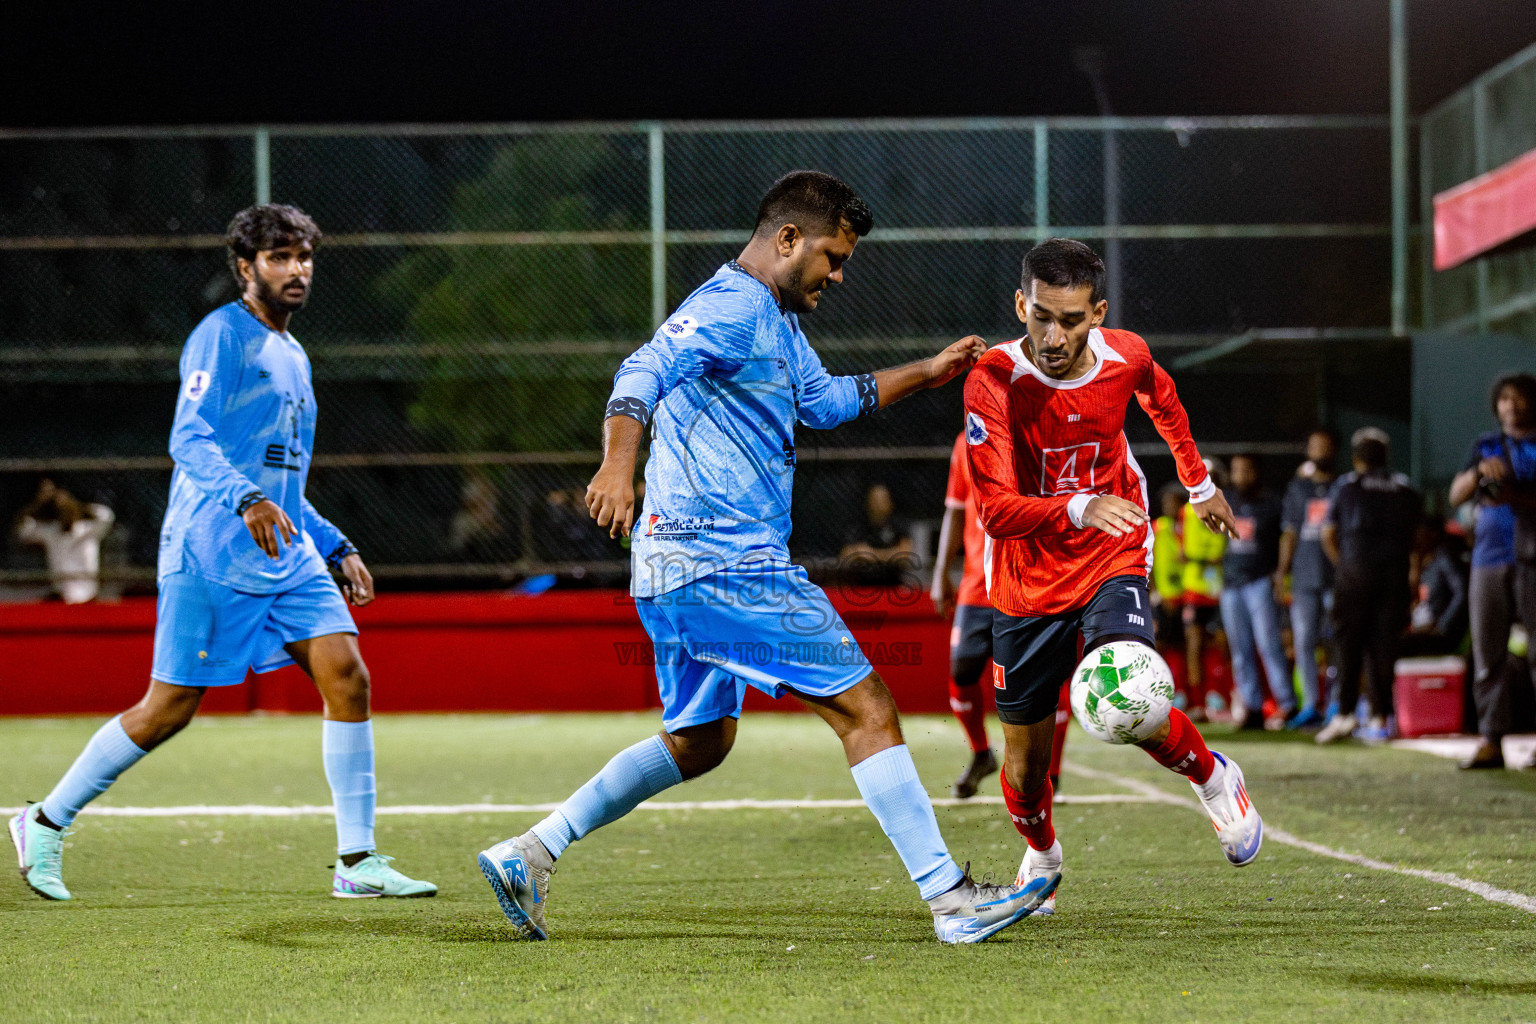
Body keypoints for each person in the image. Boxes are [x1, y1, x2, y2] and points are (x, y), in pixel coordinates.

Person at [478, 171, 1057, 946]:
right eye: (832, 257)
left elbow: (827, 402)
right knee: (867, 708)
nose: (838, 275)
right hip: (723, 561)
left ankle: (530, 852)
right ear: (788, 239)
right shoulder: (732, 307)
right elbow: (641, 371)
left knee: (701, 742)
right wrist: (618, 464)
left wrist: (929, 372)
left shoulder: (775, 323)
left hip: (674, 567)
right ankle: (951, 901)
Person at [8, 205, 435, 903]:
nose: (296, 270)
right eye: (279, 257)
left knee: (347, 676)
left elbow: (284, 482)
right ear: (245, 267)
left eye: (304, 257)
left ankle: (357, 863)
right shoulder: (220, 336)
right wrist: (246, 500)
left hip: (285, 552)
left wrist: (334, 542)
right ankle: (46, 820)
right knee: (168, 708)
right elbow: (188, 437)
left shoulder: (294, 354)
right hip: (211, 551)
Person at [963, 237, 1261, 917]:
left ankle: (1214, 778)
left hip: (1111, 549)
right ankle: (1041, 855)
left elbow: (1163, 398)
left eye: (1071, 320)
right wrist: (1078, 504)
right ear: (1021, 306)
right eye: (1041, 316)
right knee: (1024, 771)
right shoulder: (992, 380)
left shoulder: (1127, 355)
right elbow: (996, 512)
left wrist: (1199, 484)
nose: (1054, 337)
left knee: (1128, 693)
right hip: (1025, 576)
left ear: (1097, 314)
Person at [932, 428, 1073, 799]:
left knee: (1047, 679)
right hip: (977, 584)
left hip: (1033, 582)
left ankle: (1052, 775)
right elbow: (955, 508)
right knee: (962, 670)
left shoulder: (1041, 434)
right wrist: (941, 571)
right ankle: (982, 754)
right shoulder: (966, 440)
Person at [1449, 373, 1536, 769]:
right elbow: (1456, 495)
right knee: (1488, 651)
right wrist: (1479, 472)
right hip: (1488, 558)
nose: (1511, 406)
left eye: (1518, 398)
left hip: (1531, 558)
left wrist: (1516, 493)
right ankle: (1490, 738)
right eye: (1504, 399)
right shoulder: (1485, 445)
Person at [1314, 428, 1422, 744]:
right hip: (1394, 576)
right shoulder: (1405, 488)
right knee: (1384, 645)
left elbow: (1328, 534)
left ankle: (1345, 714)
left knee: (1348, 645)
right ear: (1386, 457)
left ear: (1356, 458)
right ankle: (1381, 717)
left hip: (1354, 576)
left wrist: (1345, 565)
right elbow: (1417, 539)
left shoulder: (1346, 486)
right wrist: (1413, 575)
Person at [1220, 454, 1297, 730]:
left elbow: (1286, 537)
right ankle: (1252, 708)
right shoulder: (1226, 500)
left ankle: (1287, 705)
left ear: (1256, 472)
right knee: (1240, 650)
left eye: (1246, 470)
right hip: (1231, 585)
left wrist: (1280, 574)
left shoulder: (1271, 504)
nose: (1241, 475)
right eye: (1236, 470)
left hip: (1260, 582)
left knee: (1269, 645)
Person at [1278, 429, 1338, 728]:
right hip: (1304, 578)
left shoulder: (1342, 486)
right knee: (1304, 643)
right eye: (1315, 446)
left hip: (1336, 578)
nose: (1320, 452)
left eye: (1325, 446)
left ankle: (1338, 703)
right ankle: (1311, 704)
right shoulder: (1298, 489)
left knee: (1336, 642)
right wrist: (1282, 572)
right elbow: (1289, 533)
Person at [14, 479, 115, 604]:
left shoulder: (89, 529)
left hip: (88, 595)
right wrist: (41, 502)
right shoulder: (51, 531)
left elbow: (107, 516)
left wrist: (79, 505)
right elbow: (24, 530)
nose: (65, 510)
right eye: (60, 507)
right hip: (61, 595)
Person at [1180, 461, 1227, 718]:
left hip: (1219, 586)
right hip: (1195, 588)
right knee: (1194, 644)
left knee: (1223, 643)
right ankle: (1198, 702)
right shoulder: (1186, 511)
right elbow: (1181, 549)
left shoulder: (1225, 506)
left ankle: (1222, 697)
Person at [840, 482, 915, 585]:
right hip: (860, 586)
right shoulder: (858, 526)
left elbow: (905, 555)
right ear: (868, 502)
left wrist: (871, 554)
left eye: (882, 500)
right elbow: (845, 554)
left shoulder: (899, 525)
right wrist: (890, 555)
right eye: (875, 500)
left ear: (890, 502)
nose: (878, 504)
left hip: (893, 585)